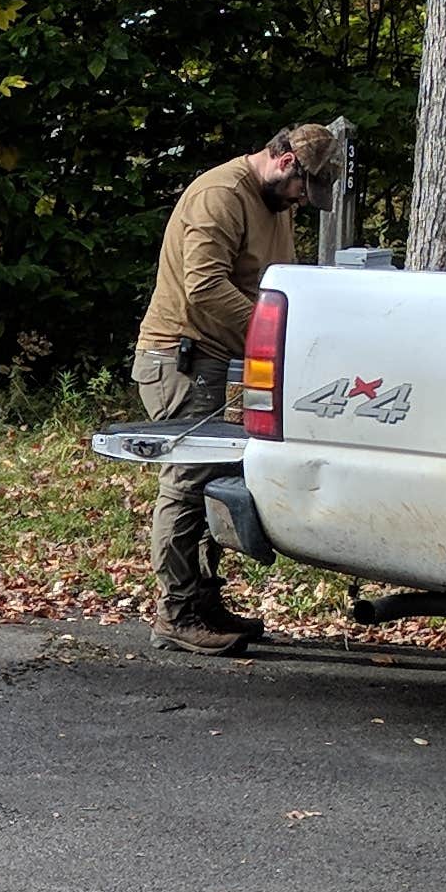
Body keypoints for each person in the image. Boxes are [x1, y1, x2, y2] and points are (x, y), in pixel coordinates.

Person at [136, 123, 337, 654]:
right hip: (179, 358)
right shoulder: (221, 195)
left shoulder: (275, 206)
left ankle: (203, 604)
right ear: (287, 162)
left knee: (219, 479)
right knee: (187, 481)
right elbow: (204, 287)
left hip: (220, 358)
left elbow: (278, 280)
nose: (301, 200)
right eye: (302, 188)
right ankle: (174, 615)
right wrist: (271, 333)